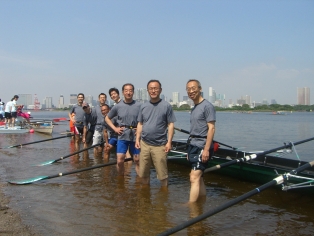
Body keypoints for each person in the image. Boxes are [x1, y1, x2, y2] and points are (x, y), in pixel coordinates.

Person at [135, 80, 176, 187]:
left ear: (160, 90)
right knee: (143, 174)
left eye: (155, 88)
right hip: (144, 144)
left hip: (160, 144)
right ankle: (145, 198)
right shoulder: (143, 106)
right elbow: (140, 124)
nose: (153, 91)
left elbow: (171, 125)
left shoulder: (166, 106)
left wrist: (169, 142)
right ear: (147, 90)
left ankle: (164, 196)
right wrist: (137, 139)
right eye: (151, 88)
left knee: (163, 175)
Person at [186, 79, 216, 202]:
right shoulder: (194, 108)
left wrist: (206, 150)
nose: (191, 91)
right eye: (188, 89)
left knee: (193, 177)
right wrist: (189, 151)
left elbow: (212, 128)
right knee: (199, 177)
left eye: (193, 88)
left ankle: (191, 209)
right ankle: (201, 204)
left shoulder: (207, 106)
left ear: (200, 89)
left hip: (202, 146)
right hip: (193, 145)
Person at [105, 83, 141, 176]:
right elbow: (107, 118)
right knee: (120, 160)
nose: (128, 92)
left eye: (130, 90)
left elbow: (145, 119)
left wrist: (141, 128)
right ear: (123, 92)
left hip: (135, 136)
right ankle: (121, 181)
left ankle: (140, 181)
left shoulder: (139, 105)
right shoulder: (117, 106)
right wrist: (115, 129)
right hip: (122, 135)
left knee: (137, 160)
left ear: (133, 92)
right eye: (126, 90)